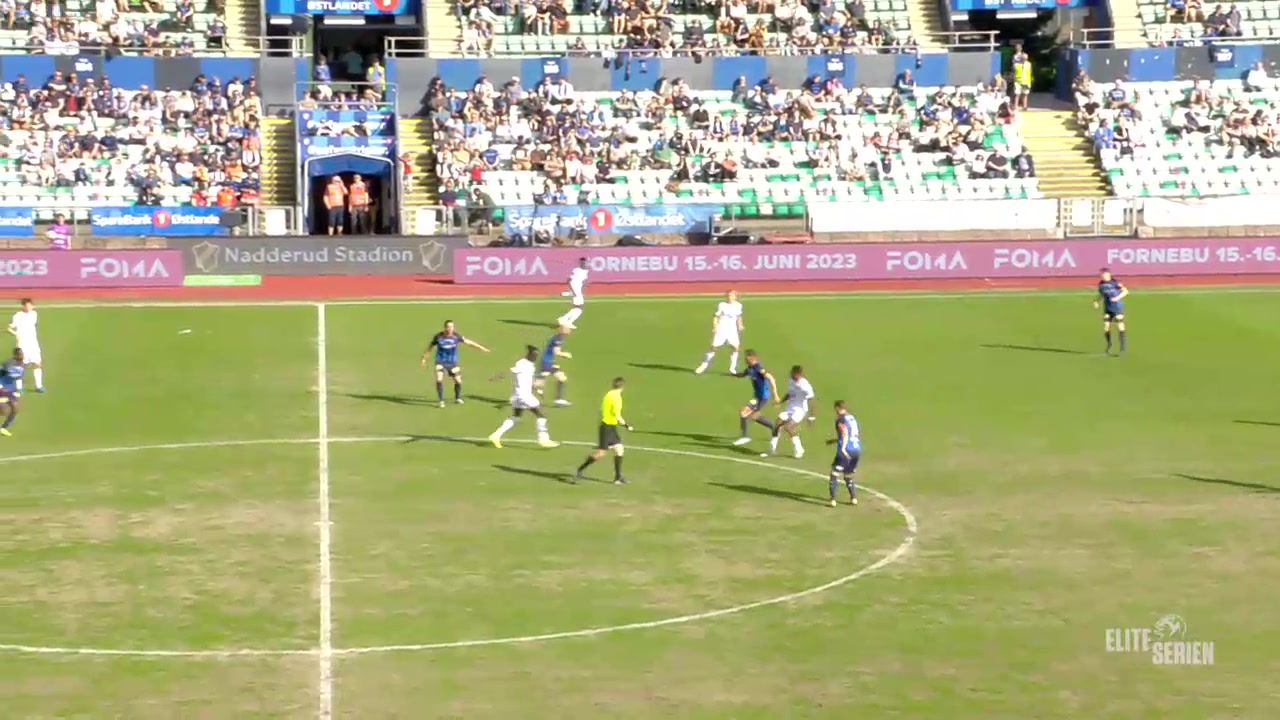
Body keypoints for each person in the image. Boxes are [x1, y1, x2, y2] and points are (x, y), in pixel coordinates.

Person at [488, 345, 558, 449]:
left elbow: (528, 380)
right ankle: (543, 439)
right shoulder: (523, 364)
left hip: (518, 396)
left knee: (516, 416)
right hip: (523, 395)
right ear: (529, 354)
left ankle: (495, 436)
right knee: (541, 414)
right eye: (535, 355)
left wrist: (537, 389)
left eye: (537, 355)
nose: (536, 357)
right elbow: (511, 371)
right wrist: (496, 377)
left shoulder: (530, 365)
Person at [573, 377, 634, 485]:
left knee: (619, 449)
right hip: (607, 428)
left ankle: (617, 478)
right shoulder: (616, 398)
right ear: (622, 387)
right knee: (601, 453)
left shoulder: (608, 394)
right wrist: (626, 425)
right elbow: (617, 414)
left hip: (609, 426)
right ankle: (580, 470)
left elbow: (602, 410)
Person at [422, 320, 490, 407]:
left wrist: (481, 347)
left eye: (452, 327)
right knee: (439, 379)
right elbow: (430, 347)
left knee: (458, 381)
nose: (450, 328)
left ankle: (457, 398)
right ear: (445, 327)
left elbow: (468, 342)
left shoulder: (456, 336)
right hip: (440, 361)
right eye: (448, 327)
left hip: (452, 362)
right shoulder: (438, 337)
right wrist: (424, 358)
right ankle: (441, 401)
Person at [764, 365, 815, 458]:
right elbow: (789, 393)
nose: (791, 375)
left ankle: (799, 449)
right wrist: (780, 402)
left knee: (789, 427)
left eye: (793, 374)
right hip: (791, 407)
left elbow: (812, 400)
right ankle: (771, 450)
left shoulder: (805, 386)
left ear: (798, 375)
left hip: (801, 410)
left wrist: (811, 417)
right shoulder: (791, 380)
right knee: (777, 423)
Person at [731, 350, 778, 446]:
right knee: (752, 415)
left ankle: (745, 436)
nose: (744, 359)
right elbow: (743, 374)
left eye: (746, 357)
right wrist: (734, 374)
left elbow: (771, 378)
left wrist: (775, 395)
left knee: (746, 413)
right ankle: (774, 428)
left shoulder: (758, 368)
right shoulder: (750, 368)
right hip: (757, 397)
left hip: (762, 397)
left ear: (751, 358)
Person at [695, 290, 745, 375]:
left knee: (735, 347)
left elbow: (739, 316)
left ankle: (732, 368)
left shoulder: (738, 306)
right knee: (714, 347)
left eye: (732, 296)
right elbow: (716, 316)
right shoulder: (722, 305)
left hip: (732, 330)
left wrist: (740, 325)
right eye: (729, 296)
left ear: (735, 297)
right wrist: (715, 327)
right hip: (722, 329)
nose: (730, 298)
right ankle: (704, 364)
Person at [826, 400, 861, 507]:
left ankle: (833, 500)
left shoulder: (840, 420)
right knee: (848, 474)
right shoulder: (852, 418)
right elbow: (852, 434)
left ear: (837, 408)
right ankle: (853, 498)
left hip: (846, 451)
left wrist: (843, 448)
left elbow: (845, 433)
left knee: (834, 473)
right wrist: (835, 440)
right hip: (856, 450)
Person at [7, 298, 43, 393]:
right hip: (22, 345)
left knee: (38, 364)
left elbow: (33, 326)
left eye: (30, 305)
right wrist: (16, 334)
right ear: (23, 306)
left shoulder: (34, 314)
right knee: (21, 366)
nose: (29, 307)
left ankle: (39, 386)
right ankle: (19, 388)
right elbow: (9, 328)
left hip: (33, 344)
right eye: (27, 305)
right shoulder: (17, 316)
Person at [535, 325, 573, 406]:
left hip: (548, 362)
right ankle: (522, 393)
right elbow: (556, 352)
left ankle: (559, 399)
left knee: (561, 378)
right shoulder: (558, 338)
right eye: (568, 329)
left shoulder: (557, 337)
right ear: (564, 331)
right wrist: (566, 354)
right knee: (538, 384)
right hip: (547, 362)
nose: (570, 330)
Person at [1094, 268, 1129, 355]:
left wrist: (1117, 298)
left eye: (1103, 274)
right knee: (1106, 327)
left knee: (1120, 324)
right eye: (1101, 275)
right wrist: (1097, 301)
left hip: (1117, 307)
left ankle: (1123, 346)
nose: (1102, 276)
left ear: (1108, 274)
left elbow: (1126, 291)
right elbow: (1102, 294)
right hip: (1107, 308)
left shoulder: (1115, 283)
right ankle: (1109, 344)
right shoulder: (1101, 284)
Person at [557, 257, 589, 329]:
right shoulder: (576, 270)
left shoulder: (586, 271)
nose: (585, 264)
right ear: (580, 263)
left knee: (578, 307)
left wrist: (583, 285)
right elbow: (568, 281)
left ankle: (567, 321)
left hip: (578, 291)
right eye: (583, 263)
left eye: (586, 262)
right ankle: (565, 320)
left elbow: (583, 281)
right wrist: (573, 291)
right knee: (578, 308)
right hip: (575, 291)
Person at [0, 347, 25, 437]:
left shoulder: (21, 364)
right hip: (2, 389)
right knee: (3, 411)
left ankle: (3, 428)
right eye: (20, 354)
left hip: (11, 389)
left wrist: (18, 389)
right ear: (15, 355)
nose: (22, 356)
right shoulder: (8, 364)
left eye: (22, 354)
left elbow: (18, 377)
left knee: (15, 408)